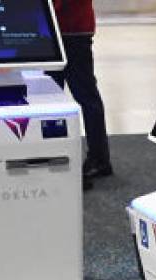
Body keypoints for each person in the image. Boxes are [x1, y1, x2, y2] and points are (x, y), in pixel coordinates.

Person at [48, 0, 113, 185]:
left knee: (84, 96)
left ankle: (99, 159)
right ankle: (53, 152)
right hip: (61, 28)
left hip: (71, 30)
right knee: (51, 96)